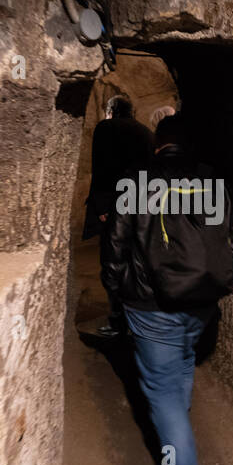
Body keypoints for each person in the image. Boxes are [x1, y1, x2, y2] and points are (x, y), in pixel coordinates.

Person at [101, 115, 233, 465]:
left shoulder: (135, 180)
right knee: (181, 366)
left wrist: (116, 291)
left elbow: (115, 244)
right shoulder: (213, 182)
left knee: (162, 390)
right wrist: (215, 284)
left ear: (158, 144)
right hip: (200, 304)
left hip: (152, 306)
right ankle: (176, 428)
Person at [83, 95, 152, 337]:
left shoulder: (105, 129)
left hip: (113, 206)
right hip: (139, 206)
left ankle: (118, 321)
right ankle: (136, 321)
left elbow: (101, 168)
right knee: (135, 264)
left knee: (112, 265)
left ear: (111, 110)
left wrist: (102, 207)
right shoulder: (145, 132)